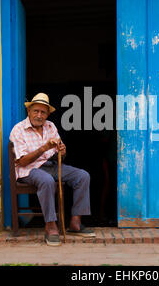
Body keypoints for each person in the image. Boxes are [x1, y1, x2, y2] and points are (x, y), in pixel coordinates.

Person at [9, 92, 95, 246]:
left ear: (47, 114)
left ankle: (75, 221)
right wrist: (43, 148)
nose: (39, 115)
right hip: (29, 170)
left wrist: (62, 151)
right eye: (36, 111)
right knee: (47, 181)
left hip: (50, 166)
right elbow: (22, 162)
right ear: (29, 111)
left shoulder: (51, 126)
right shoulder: (18, 130)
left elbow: (56, 154)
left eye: (43, 112)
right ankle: (50, 225)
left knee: (82, 176)